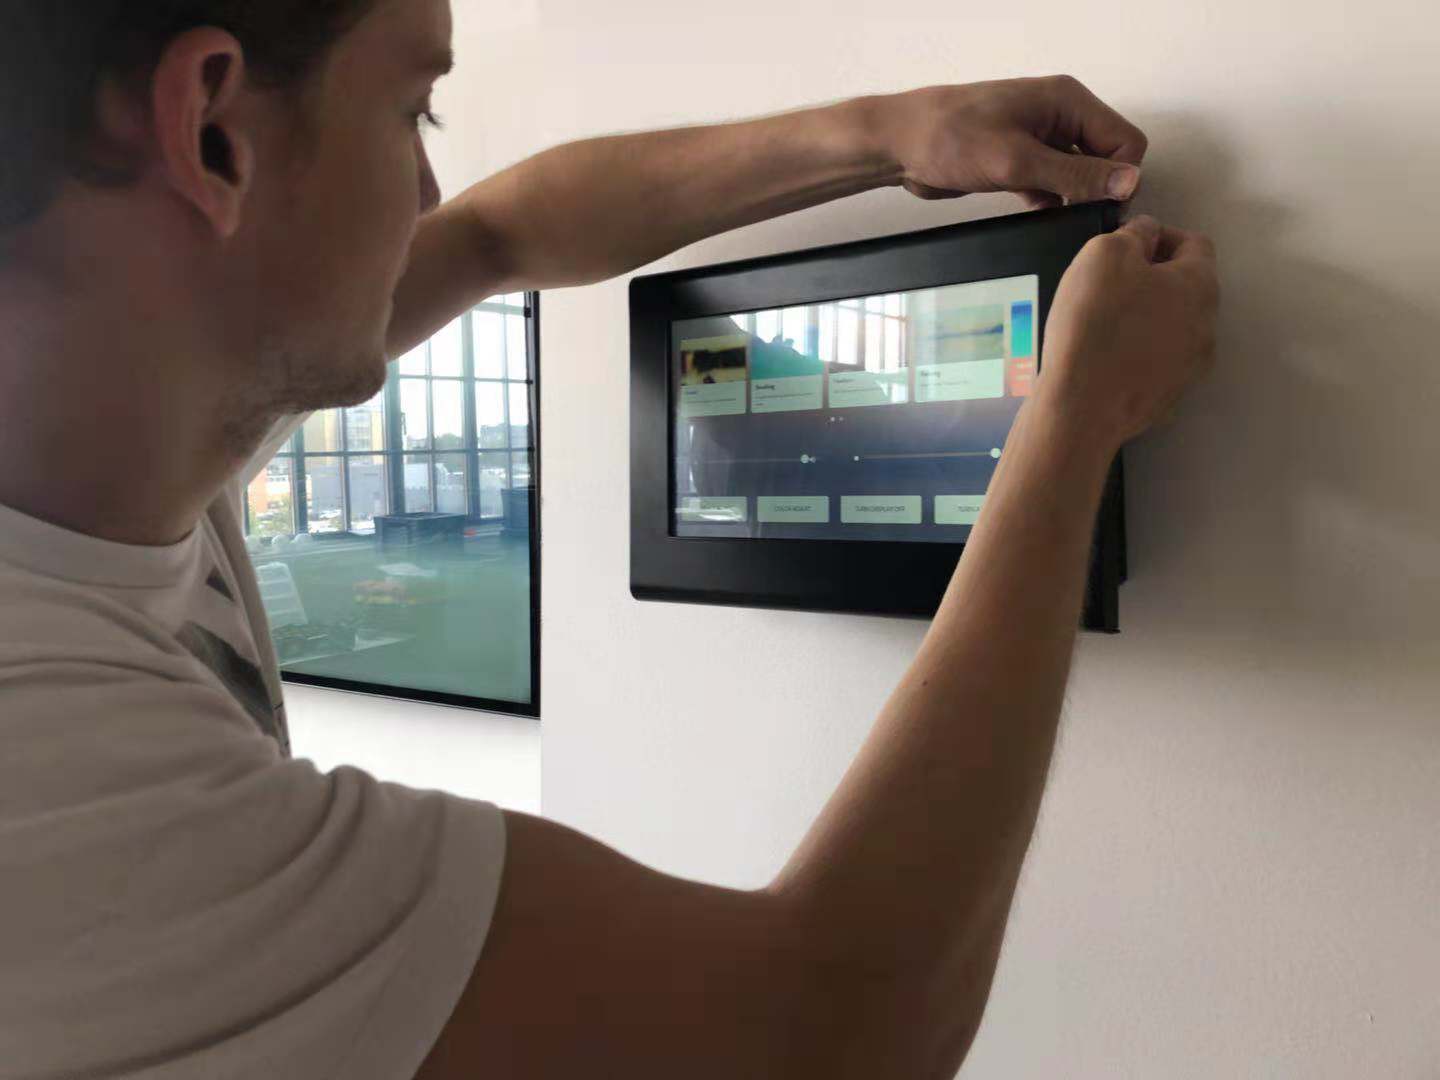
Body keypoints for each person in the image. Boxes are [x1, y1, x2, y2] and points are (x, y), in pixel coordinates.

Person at [0, 1, 1219, 1078]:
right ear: (214, 133)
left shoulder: (135, 432)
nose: (427, 193)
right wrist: (1072, 419)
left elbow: (501, 230)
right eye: (415, 109)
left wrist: (893, 133)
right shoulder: (61, 769)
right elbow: (834, 1026)